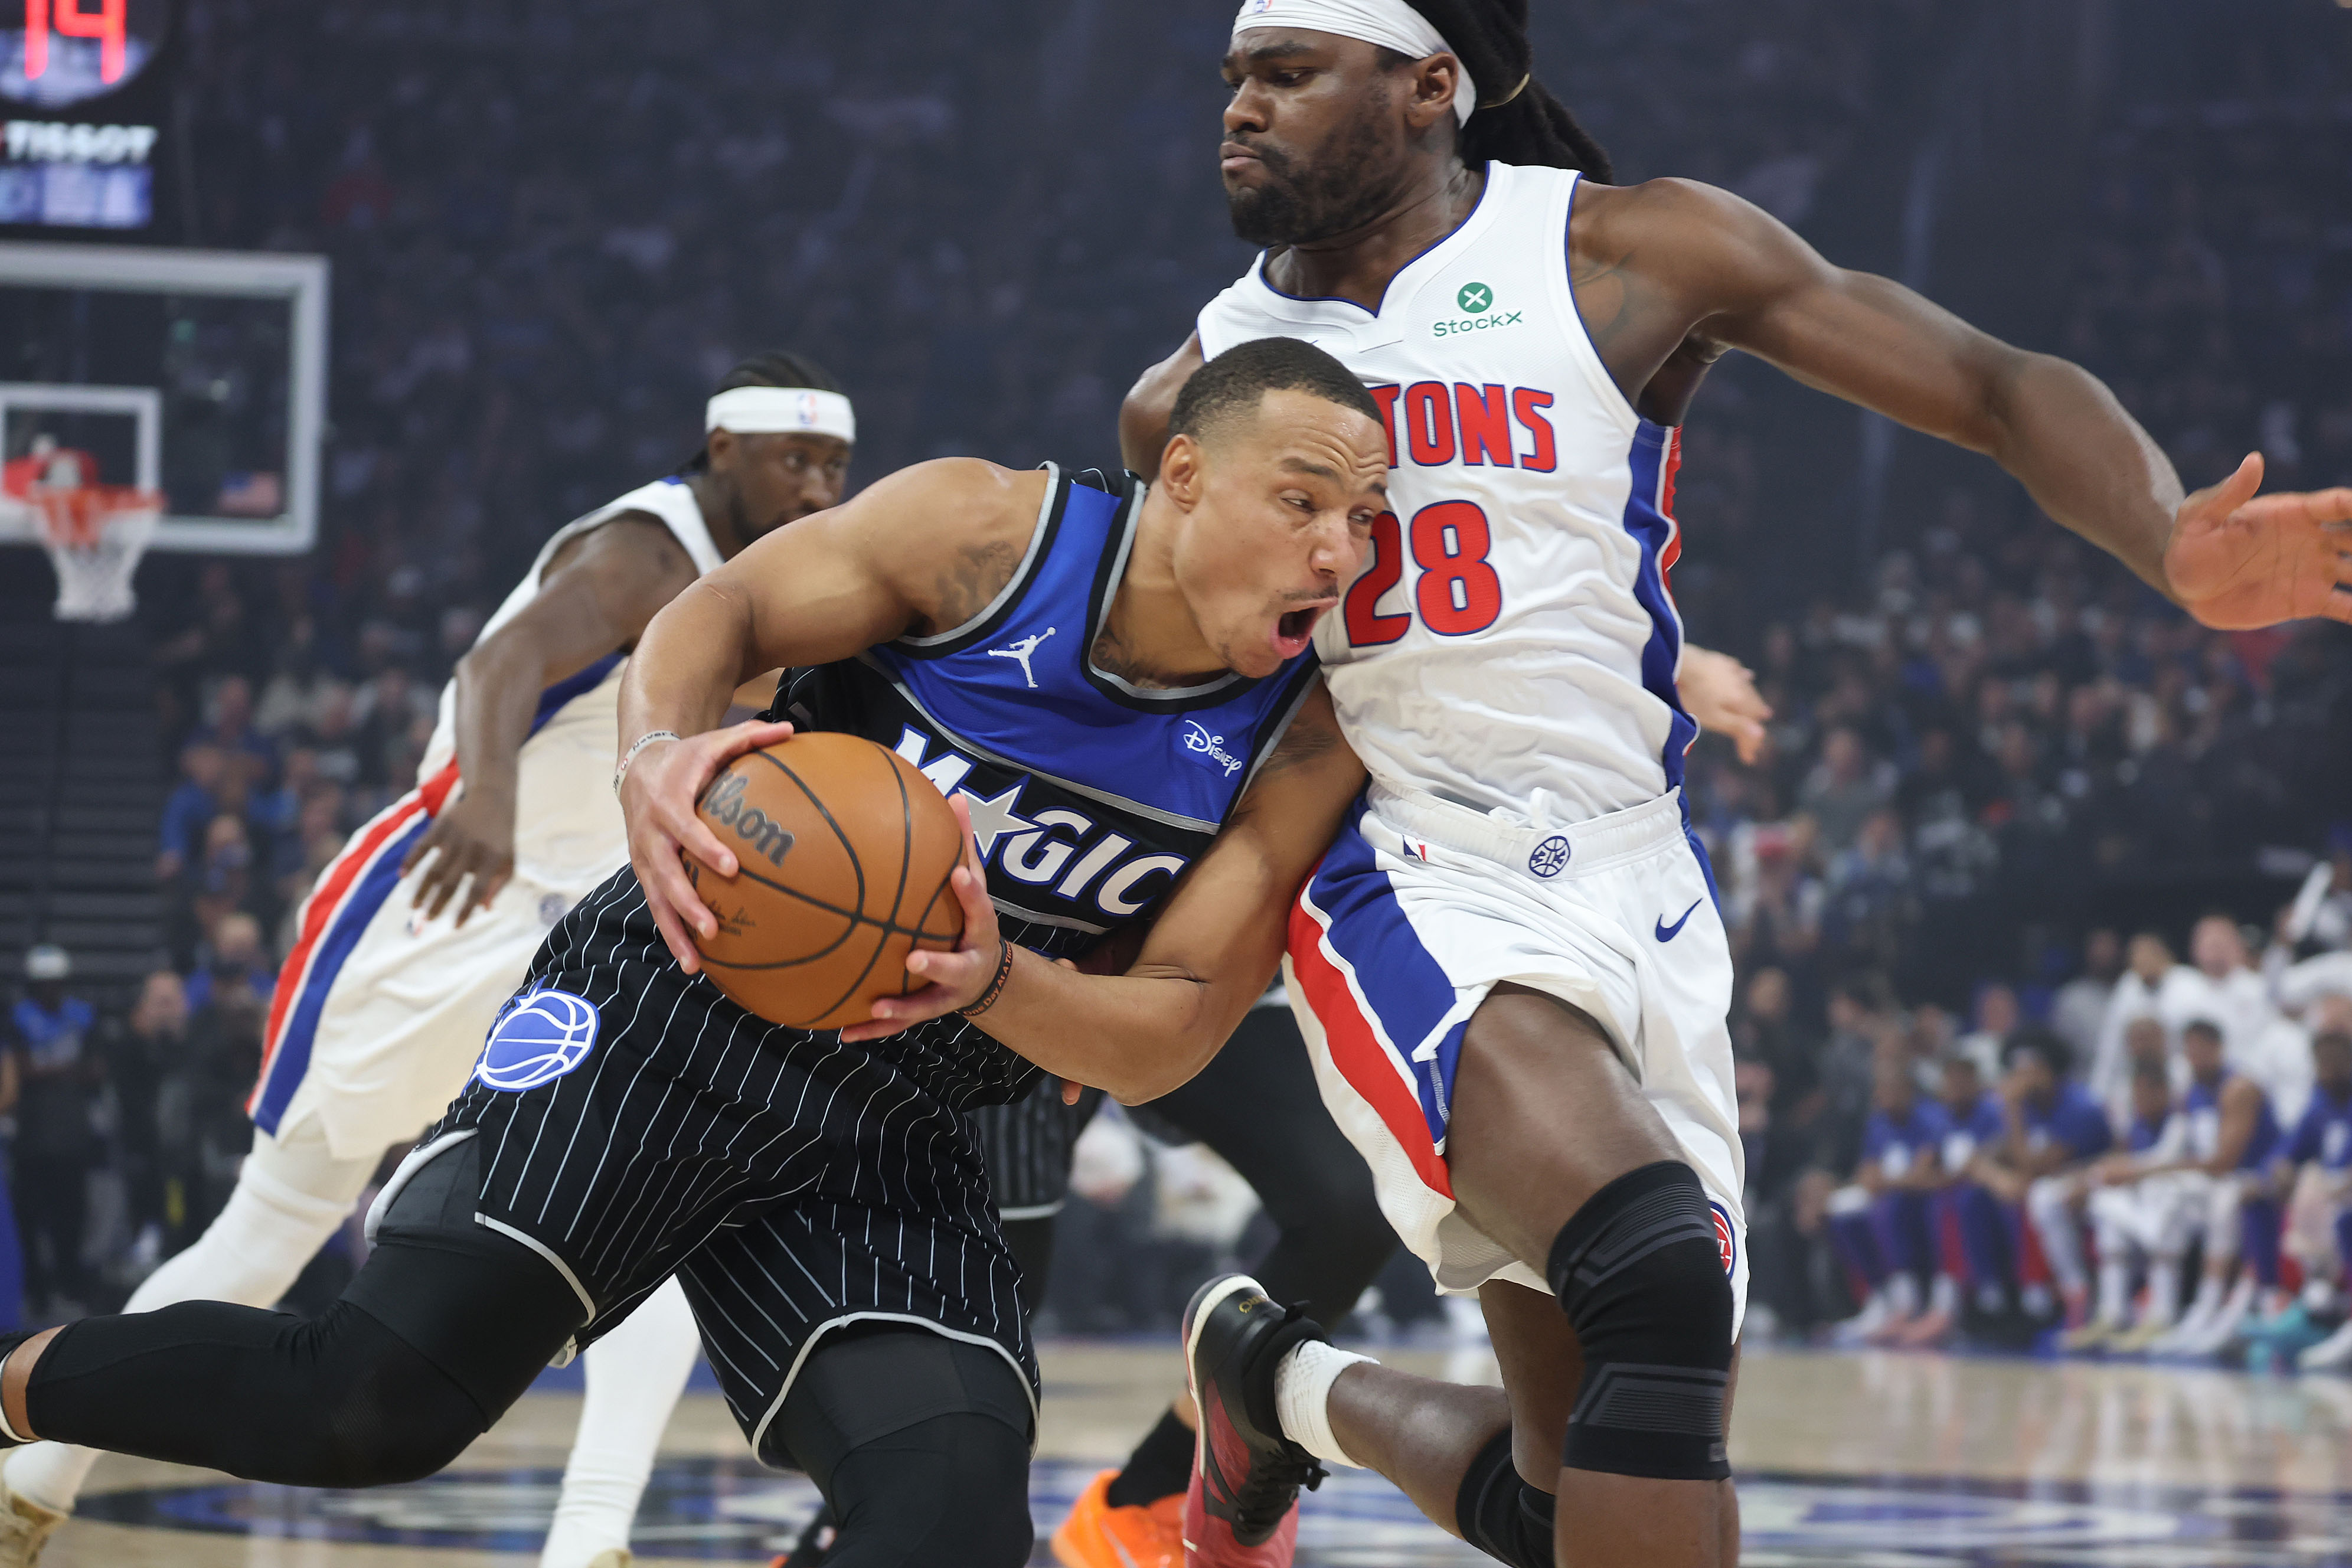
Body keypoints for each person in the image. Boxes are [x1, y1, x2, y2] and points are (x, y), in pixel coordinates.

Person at [1066, 0, 2349, 1556]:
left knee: (1576, 1488)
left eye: (1285, 73)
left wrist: (2169, 538)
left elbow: (1996, 387)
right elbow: (1145, 689)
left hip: (1644, 880)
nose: (1241, 109)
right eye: (1235, 80)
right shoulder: (1189, 397)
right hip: (1410, 866)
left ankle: (1267, 1381)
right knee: (1655, 1268)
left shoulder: (1626, 253)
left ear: (1423, 88)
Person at [0, 337, 1389, 1568]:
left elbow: (1181, 1018)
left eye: (1363, 519)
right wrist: (658, 756)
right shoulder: (988, 531)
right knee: (372, 1401)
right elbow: (708, 618)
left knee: (953, 1516)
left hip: (898, 1116)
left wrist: (999, 983)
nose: (1338, 552)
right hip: (674, 1007)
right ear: (1188, 476)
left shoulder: (1299, 736)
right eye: (1304, 502)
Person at [0, 350, 854, 1568]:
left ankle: (590, 1534)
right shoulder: (645, 552)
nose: (820, 486)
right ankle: (31, 1474)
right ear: (724, 452)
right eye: (795, 460)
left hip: (592, 921)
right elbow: (495, 666)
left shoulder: (787, 584)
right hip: (449, 887)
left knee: (661, 1204)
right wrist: (491, 800)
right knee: (269, 1228)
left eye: (835, 465)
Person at [1823, 1048, 1950, 1345]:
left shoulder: (1929, 1117)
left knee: (1889, 1207)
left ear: (1908, 1090)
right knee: (1840, 1209)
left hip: (1923, 1201)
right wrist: (1889, 1181)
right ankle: (1878, 1296)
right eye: (1880, 1089)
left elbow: (1924, 1173)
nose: (1883, 1095)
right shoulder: (1878, 1122)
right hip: (1896, 1195)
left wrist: (1889, 1181)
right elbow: (1868, 1175)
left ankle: (1909, 1302)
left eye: (1891, 1088)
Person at [5, 949, 99, 1321]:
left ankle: (70, 1283)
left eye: (56, 984)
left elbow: (95, 1069)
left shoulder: (82, 1015)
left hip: (73, 1134)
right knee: (29, 1218)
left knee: (72, 1215)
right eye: (43, 985)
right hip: (31, 1136)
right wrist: (63, 1069)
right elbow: (21, 1070)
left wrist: (50, 1070)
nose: (50, 991)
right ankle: (37, 1290)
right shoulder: (18, 1019)